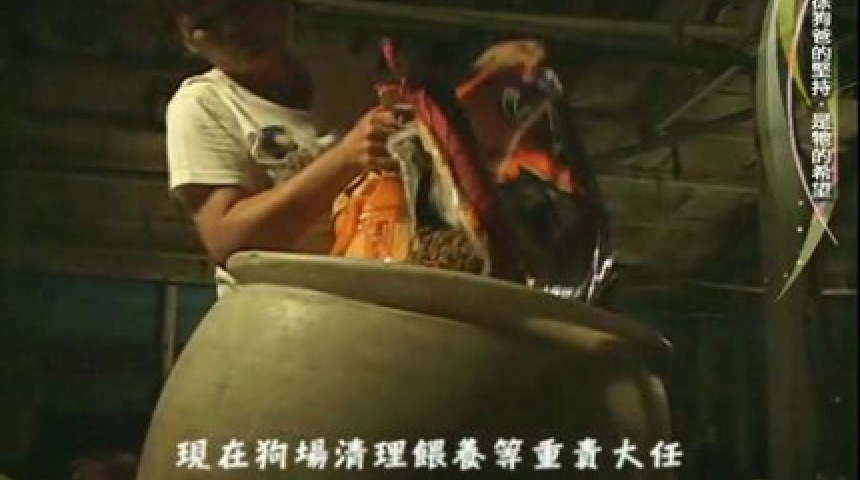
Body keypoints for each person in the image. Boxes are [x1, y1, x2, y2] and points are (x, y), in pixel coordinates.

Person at [162, 0, 547, 295]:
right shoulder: (202, 105)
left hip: (381, 294)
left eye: (240, 5)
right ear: (186, 39)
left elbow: (430, 117)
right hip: (282, 318)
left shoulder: (338, 66)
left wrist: (492, 71)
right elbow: (228, 239)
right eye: (204, 23)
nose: (231, 29)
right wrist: (345, 159)